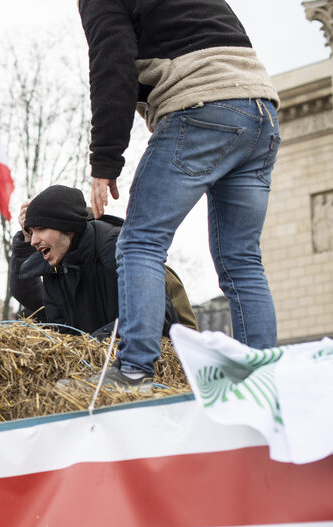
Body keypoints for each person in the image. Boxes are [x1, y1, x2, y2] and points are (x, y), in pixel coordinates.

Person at [79, 0, 280, 389]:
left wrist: (104, 163)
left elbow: (112, 67)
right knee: (242, 260)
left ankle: (135, 370)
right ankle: (260, 377)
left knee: (139, 242)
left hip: (201, 106)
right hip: (261, 109)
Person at [12, 185, 196, 343]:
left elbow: (154, 313)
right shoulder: (54, 268)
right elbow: (57, 328)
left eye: (41, 229)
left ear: (66, 227)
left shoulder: (116, 247)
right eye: (31, 232)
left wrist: (93, 345)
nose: (33, 240)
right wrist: (23, 243)